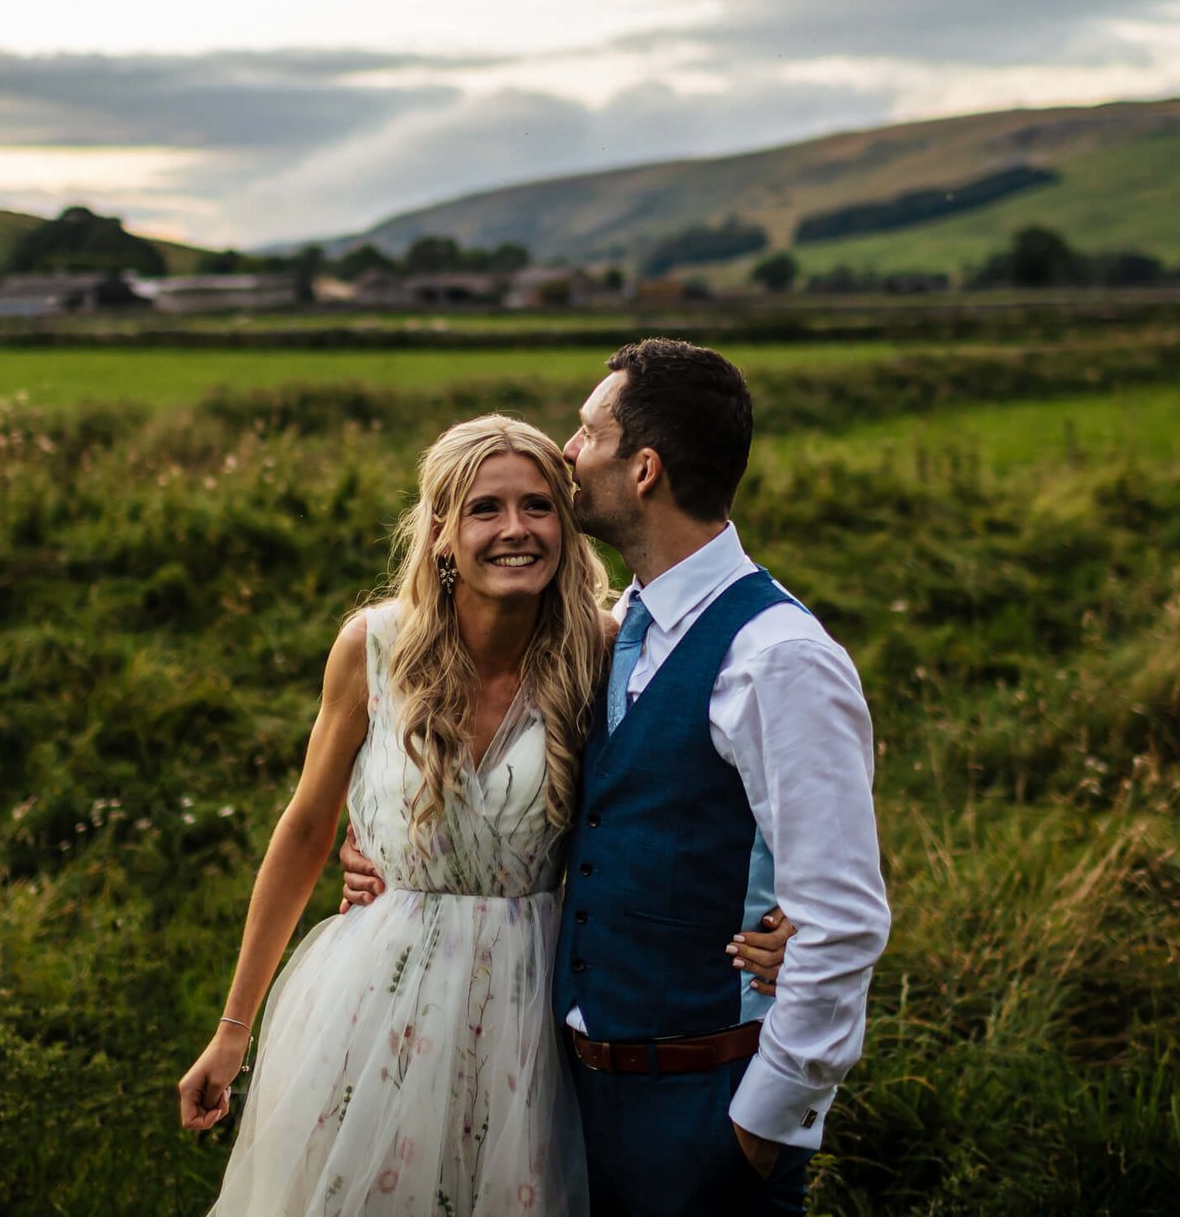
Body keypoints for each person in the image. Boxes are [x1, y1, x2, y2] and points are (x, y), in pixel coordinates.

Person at [177, 413, 792, 1214]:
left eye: (538, 506)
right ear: (440, 533)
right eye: (484, 508)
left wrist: (783, 911)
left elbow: (690, 794)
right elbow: (304, 829)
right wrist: (233, 1027)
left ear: (566, 528)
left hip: (530, 999)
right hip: (376, 990)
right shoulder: (373, 646)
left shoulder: (600, 653)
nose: (516, 530)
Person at [344, 340, 890, 1215]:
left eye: (587, 430)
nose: (567, 448)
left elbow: (847, 919)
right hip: (570, 1099)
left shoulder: (775, 656)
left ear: (643, 468)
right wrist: (384, 839)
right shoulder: (616, 627)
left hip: (705, 1107)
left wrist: (760, 1126)